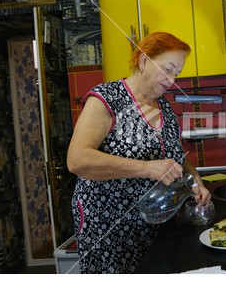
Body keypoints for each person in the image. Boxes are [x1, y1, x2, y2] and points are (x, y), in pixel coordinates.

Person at [67, 32, 211, 274]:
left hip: (154, 226)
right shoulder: (107, 99)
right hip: (108, 229)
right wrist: (146, 168)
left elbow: (177, 154)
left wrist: (196, 182)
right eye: (167, 69)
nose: (172, 79)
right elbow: (77, 159)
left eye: (176, 73)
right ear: (144, 61)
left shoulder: (164, 106)